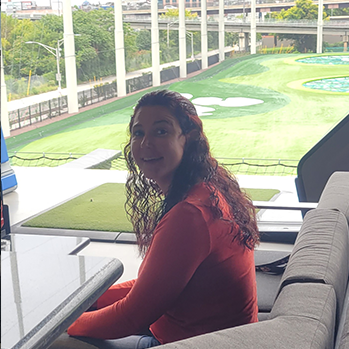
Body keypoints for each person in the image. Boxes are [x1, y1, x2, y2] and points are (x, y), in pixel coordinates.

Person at [67, 89, 259, 349]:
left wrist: (64, 323)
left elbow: (130, 316)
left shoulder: (190, 215)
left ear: (187, 138)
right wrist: (86, 300)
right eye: (138, 132)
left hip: (192, 343)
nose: (146, 144)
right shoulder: (208, 188)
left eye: (161, 131)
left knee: (52, 341)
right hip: (218, 338)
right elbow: (156, 285)